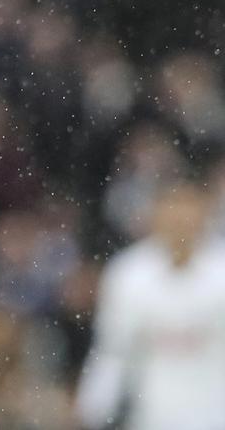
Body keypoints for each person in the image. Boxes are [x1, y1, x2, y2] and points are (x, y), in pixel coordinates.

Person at [75, 182, 225, 430]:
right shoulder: (130, 274)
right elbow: (113, 350)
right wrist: (92, 408)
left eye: (188, 211)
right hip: (150, 418)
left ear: (205, 213)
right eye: (172, 212)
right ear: (156, 215)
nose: (180, 223)